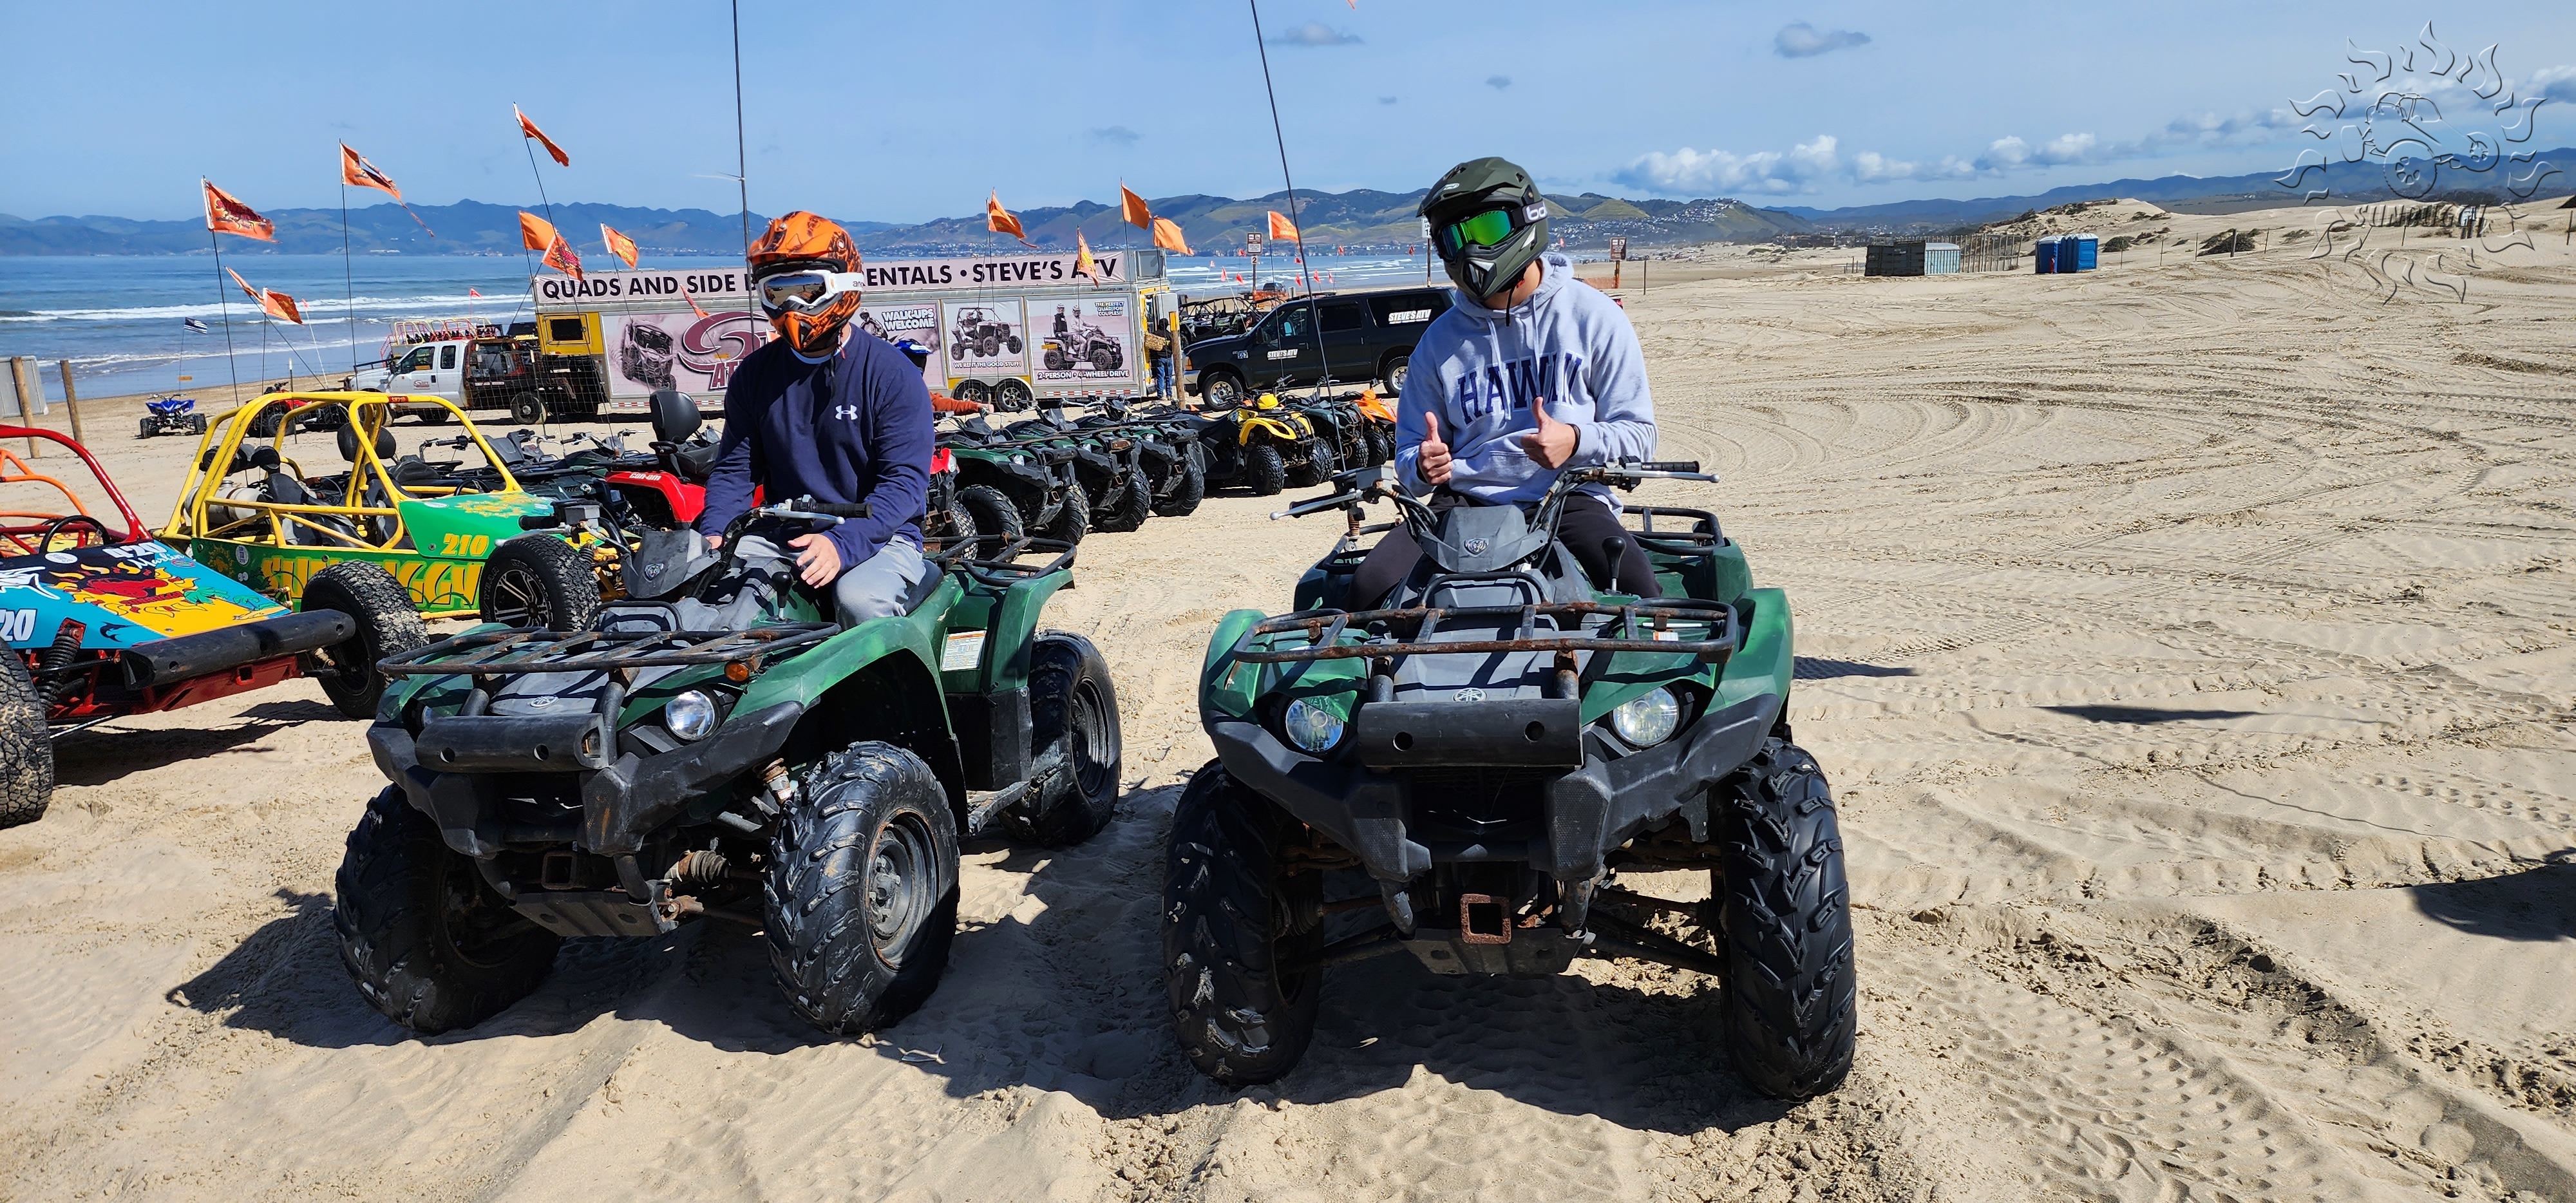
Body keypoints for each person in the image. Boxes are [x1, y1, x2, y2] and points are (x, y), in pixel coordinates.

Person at [1350, 156, 1662, 608]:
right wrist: (1423, 466)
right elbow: (1409, 459)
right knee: (1369, 586)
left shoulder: (1594, 318)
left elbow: (1640, 436)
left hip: (1567, 496)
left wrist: (1575, 441)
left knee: (1638, 589)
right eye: (1454, 238)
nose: (1470, 250)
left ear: (1526, 219)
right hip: (1463, 503)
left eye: (1487, 228)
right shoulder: (1438, 343)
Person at [695, 211, 934, 626]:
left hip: (882, 536)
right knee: (711, 596)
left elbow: (905, 484)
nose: (791, 305)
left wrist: (843, 543)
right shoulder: (753, 375)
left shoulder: (892, 374)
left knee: (859, 601)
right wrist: (714, 533)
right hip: (782, 535)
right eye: (777, 291)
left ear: (843, 285)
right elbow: (735, 470)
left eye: (807, 289)